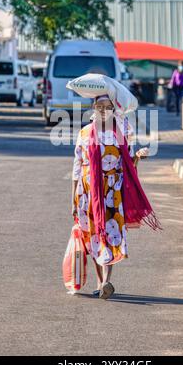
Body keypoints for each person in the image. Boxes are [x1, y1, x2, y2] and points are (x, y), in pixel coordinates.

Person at [71, 94, 161, 300]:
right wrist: (73, 199)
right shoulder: (84, 133)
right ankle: (99, 281)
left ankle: (106, 282)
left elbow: (128, 163)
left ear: (114, 109)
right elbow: (77, 167)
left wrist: (138, 157)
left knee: (111, 235)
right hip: (87, 193)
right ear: (93, 108)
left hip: (112, 192)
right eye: (99, 106)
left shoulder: (120, 132)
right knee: (92, 235)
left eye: (107, 106)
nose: (103, 110)